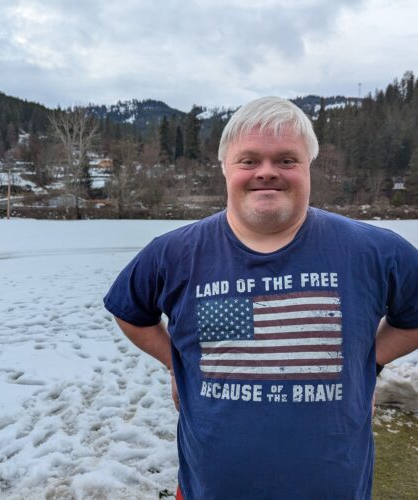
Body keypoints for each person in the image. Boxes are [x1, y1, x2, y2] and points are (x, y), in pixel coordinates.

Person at [103, 97, 418, 499]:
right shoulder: (175, 253)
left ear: (308, 167)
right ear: (225, 168)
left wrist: (367, 361)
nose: (266, 173)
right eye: (248, 161)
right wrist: (177, 363)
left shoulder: (374, 251)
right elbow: (131, 312)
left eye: (286, 160)